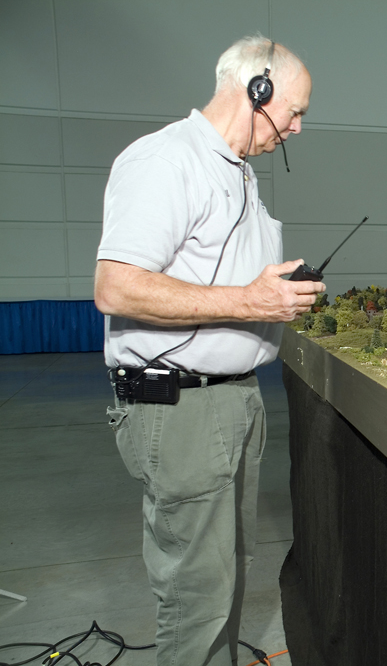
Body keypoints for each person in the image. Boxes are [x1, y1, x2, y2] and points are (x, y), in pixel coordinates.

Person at [94, 35, 322, 666]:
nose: (297, 128)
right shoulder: (167, 160)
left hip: (232, 402)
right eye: (295, 111)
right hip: (182, 408)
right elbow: (116, 287)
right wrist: (252, 302)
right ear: (258, 91)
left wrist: (273, 291)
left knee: (224, 584)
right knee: (197, 598)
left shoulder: (238, 173)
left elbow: (219, 278)